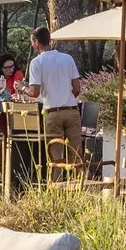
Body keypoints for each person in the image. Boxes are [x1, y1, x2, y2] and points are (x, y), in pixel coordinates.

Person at [25, 26, 86, 157]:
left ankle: (56, 178)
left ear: (36, 42)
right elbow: (76, 88)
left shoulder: (36, 62)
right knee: (75, 154)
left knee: (55, 156)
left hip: (52, 112)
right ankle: (78, 177)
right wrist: (66, 97)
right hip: (72, 110)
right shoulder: (67, 58)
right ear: (49, 40)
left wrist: (22, 88)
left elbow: (34, 92)